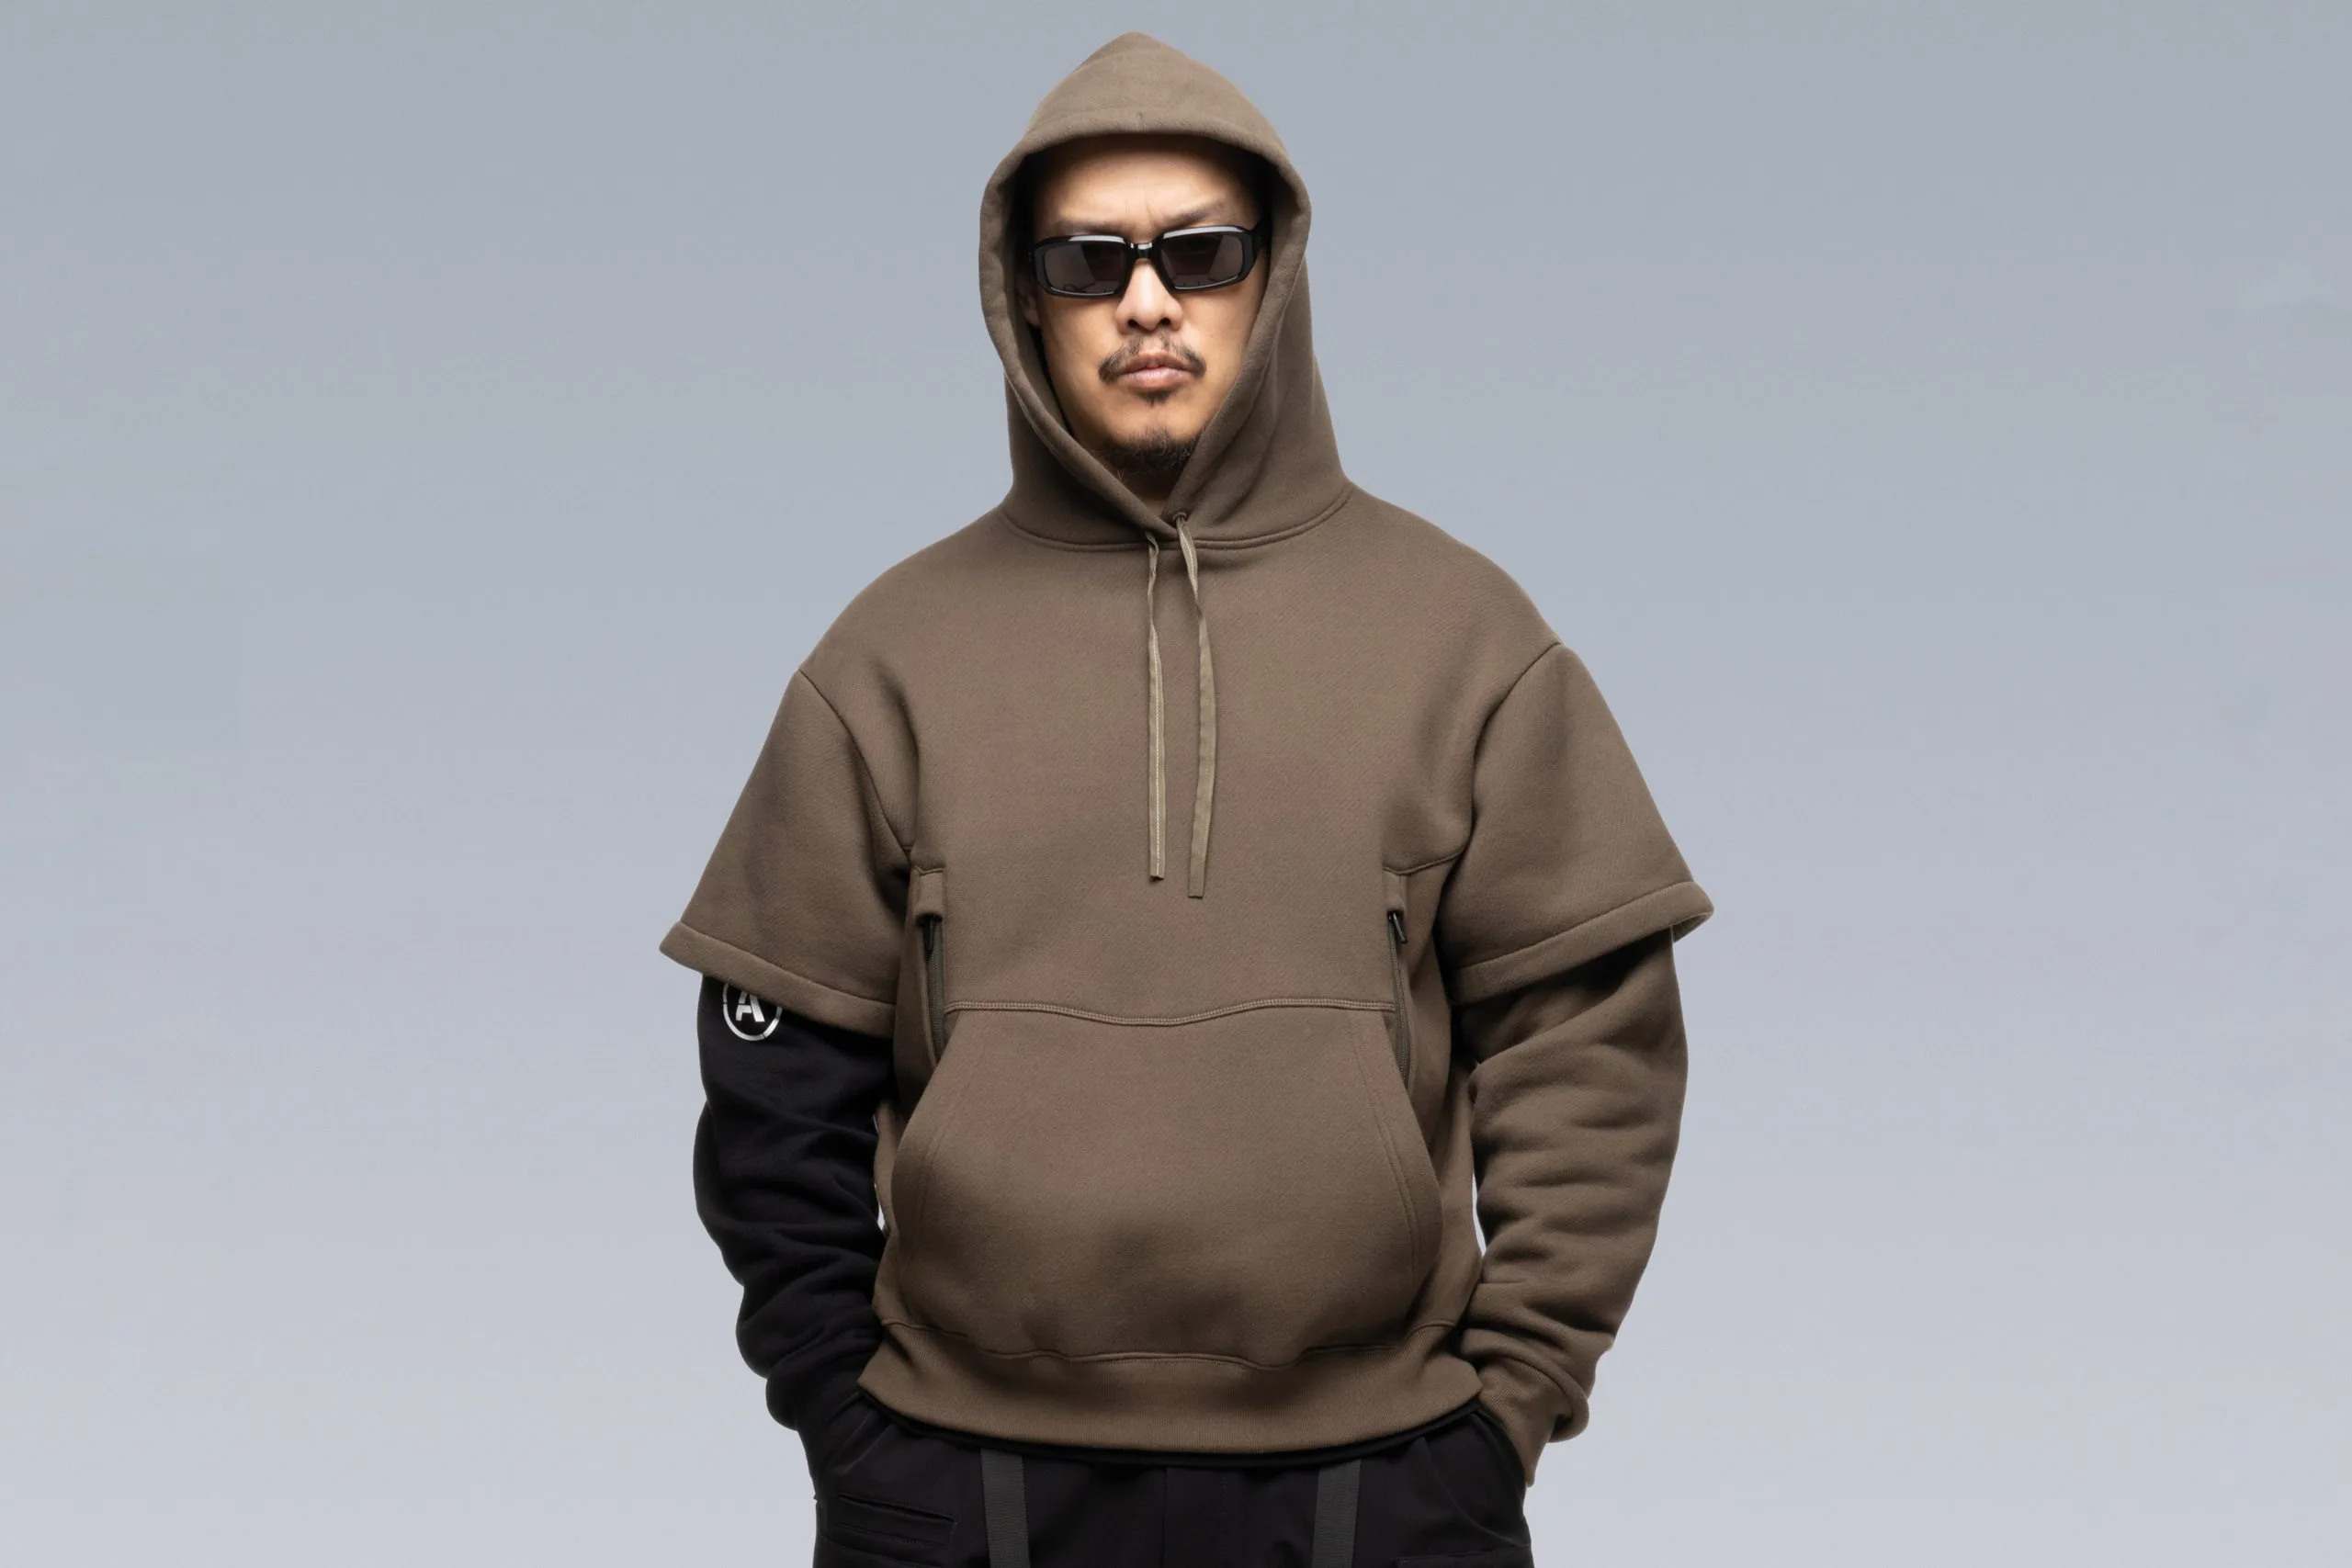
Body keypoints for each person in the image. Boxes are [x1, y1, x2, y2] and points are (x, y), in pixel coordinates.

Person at [663, 31, 1713, 1568]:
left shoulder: (1467, 639)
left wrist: (1509, 1409)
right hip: (960, 1486)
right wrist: (840, 1407)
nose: (1146, 301)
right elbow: (774, 1081)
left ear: (1273, 276)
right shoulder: (886, 659)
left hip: (1382, 1486)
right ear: (1024, 295)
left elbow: (1591, 1048)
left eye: (1199, 253)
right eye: (1089, 261)